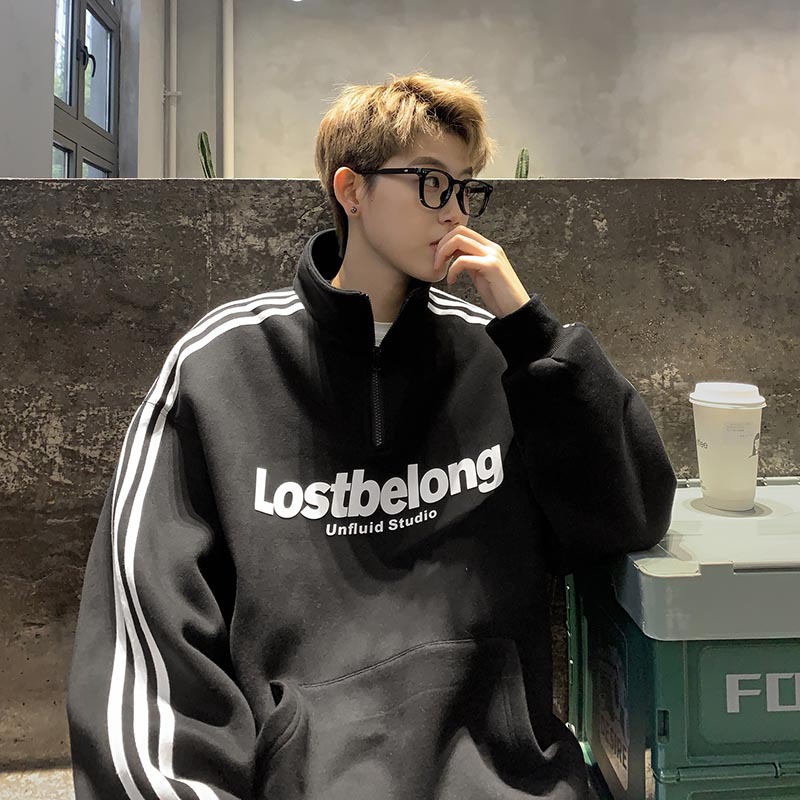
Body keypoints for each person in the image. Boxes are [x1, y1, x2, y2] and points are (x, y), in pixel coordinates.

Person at [67, 70, 677, 799]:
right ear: (352, 191)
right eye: (431, 182)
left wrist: (531, 332)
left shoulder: (501, 359)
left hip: (509, 778)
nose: (456, 212)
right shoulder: (221, 364)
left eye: (465, 188)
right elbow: (147, 648)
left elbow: (630, 519)